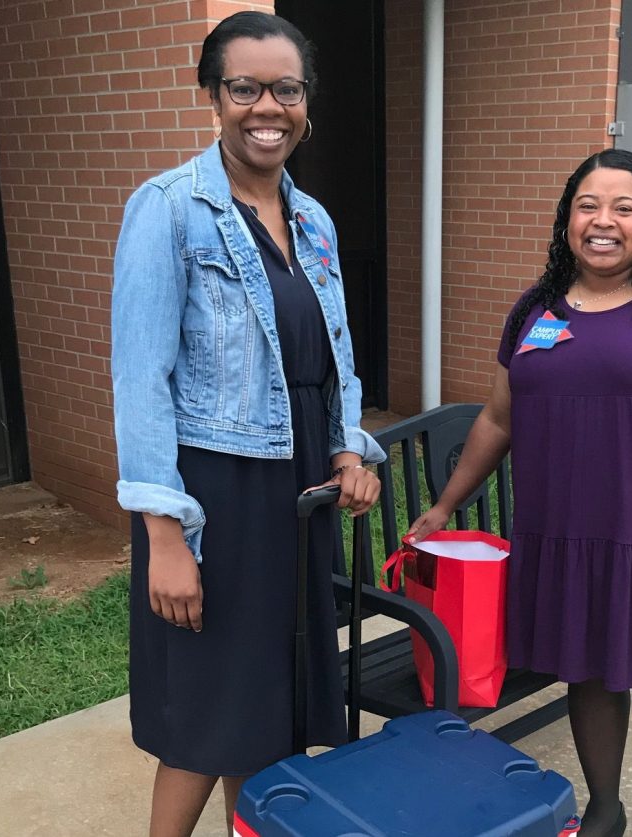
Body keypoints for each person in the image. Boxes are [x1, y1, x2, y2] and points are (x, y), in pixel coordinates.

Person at [409, 149, 632, 837]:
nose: (603, 221)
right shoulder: (534, 309)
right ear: (567, 218)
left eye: (623, 207)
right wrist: (445, 503)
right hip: (568, 535)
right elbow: (497, 418)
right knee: (592, 677)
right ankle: (605, 804)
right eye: (588, 205)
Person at [111, 12, 384, 837]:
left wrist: (347, 444)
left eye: (287, 89)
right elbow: (140, 380)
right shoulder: (167, 210)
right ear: (212, 96)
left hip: (297, 489)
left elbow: (331, 352)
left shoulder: (315, 221)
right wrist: (165, 534)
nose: (268, 107)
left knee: (270, 704)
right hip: (215, 496)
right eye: (245, 88)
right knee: (207, 705)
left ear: (306, 102)